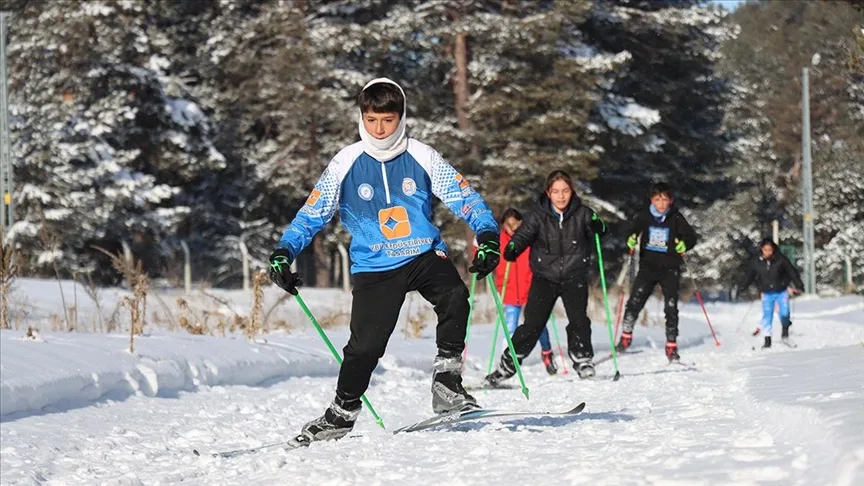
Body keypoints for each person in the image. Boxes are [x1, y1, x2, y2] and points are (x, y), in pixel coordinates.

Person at [268, 78, 500, 443]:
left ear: (401, 117)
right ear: (362, 117)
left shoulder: (423, 155)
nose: (380, 129)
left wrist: (487, 236)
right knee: (366, 346)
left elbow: (464, 197)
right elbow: (312, 214)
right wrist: (285, 252)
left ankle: (447, 384)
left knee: (455, 296)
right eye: (372, 120)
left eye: (388, 120)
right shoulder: (345, 162)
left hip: (422, 252)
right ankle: (341, 414)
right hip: (374, 264)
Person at [483, 170, 607, 382]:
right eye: (556, 191)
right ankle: (508, 364)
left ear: (572, 192)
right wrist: (513, 247)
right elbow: (523, 236)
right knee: (532, 324)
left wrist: (598, 225)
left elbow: (601, 229)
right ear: (548, 193)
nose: (561, 196)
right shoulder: (537, 215)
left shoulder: (583, 213)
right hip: (544, 277)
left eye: (565, 191)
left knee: (579, 320)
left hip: (574, 275)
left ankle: (583, 360)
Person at [615, 182, 697, 363]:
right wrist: (630, 238)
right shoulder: (645, 215)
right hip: (648, 266)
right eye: (657, 199)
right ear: (651, 200)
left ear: (670, 201)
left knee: (670, 306)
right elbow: (632, 230)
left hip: (670, 267)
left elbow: (691, 236)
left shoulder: (675, 217)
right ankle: (625, 336)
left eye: (665, 200)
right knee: (635, 301)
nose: (661, 204)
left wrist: (685, 243)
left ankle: (671, 345)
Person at [495, 208, 557, 375]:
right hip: (509, 289)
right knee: (510, 327)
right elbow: (483, 253)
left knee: (537, 324)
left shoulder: (530, 237)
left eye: (517, 224)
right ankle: (508, 363)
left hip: (531, 288)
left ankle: (547, 353)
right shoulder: (499, 241)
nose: (513, 228)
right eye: (509, 225)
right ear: (503, 226)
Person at [738, 238, 803, 348]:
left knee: (785, 313)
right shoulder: (756, 262)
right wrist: (743, 286)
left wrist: (799, 284)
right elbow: (750, 275)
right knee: (767, 316)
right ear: (762, 249)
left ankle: (785, 334)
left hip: (781, 291)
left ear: (773, 249)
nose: (767, 252)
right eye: (765, 249)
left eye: (770, 250)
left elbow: (791, 271)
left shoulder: (781, 259)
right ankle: (767, 340)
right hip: (766, 293)